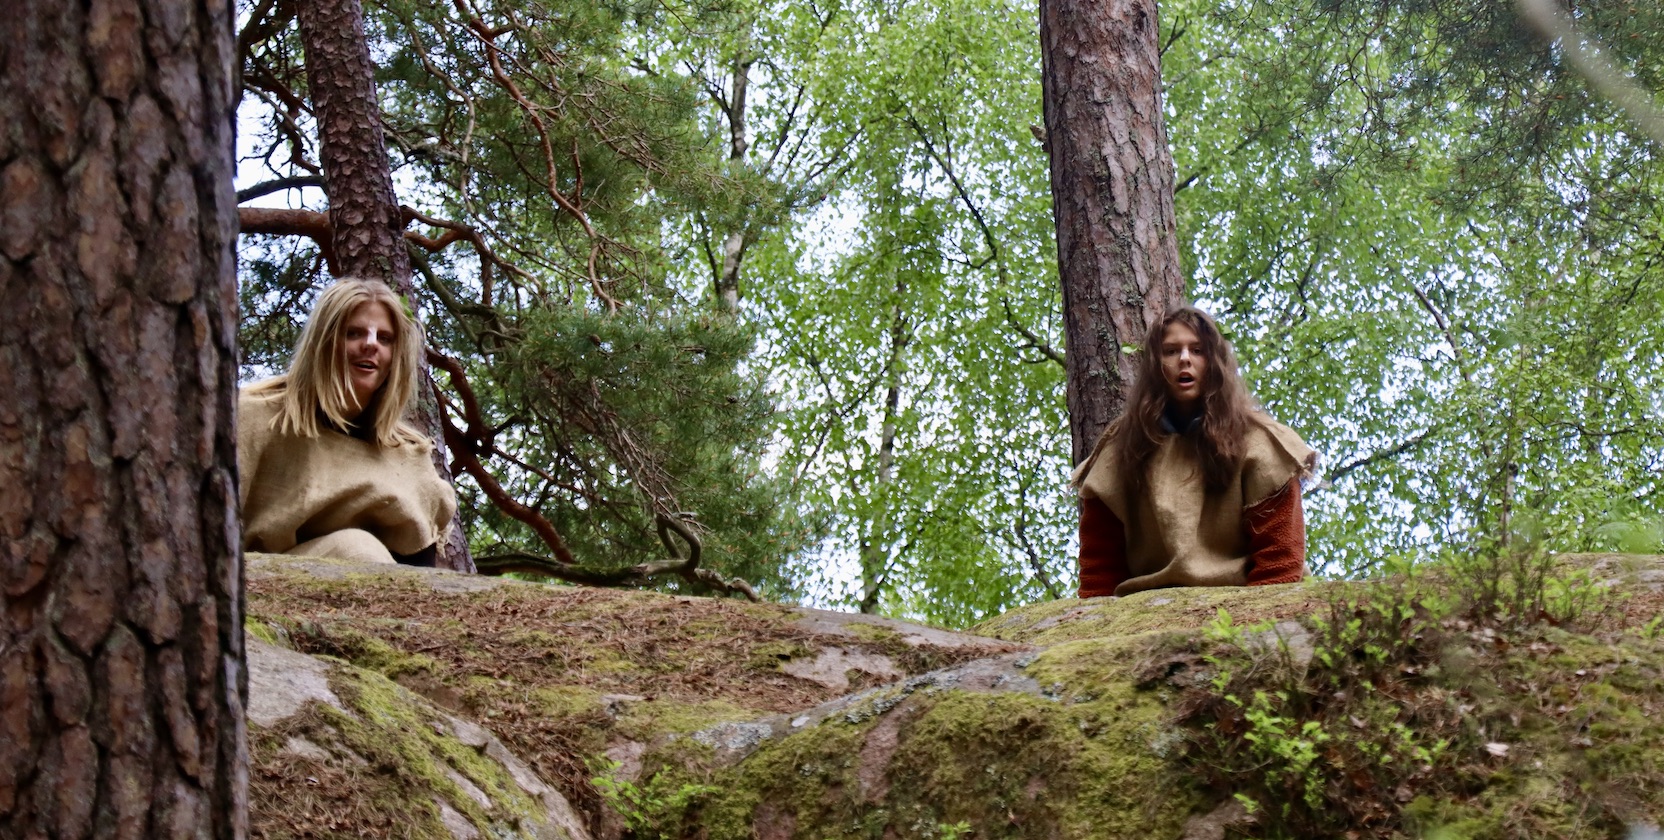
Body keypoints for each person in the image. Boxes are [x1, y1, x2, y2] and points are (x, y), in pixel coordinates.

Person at [1074, 306, 1317, 597]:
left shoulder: (1259, 443)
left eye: (1198, 350)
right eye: (1171, 351)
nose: (1185, 359)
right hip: (1145, 608)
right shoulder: (1120, 450)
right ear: (1155, 364)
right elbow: (1100, 569)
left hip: (1245, 602)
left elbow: (1280, 561)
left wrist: (1253, 629)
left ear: (1214, 362)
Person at [238, 278, 457, 566]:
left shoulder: (408, 460)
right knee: (355, 549)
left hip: (374, 596)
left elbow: (420, 578)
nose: (370, 344)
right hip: (251, 581)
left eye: (384, 338)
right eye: (354, 333)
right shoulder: (254, 417)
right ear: (323, 341)